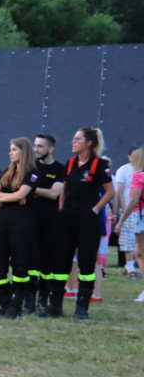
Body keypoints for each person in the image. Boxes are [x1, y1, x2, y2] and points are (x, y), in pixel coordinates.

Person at [51, 127, 115, 319]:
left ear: (89, 143)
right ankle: (55, 305)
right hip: (67, 219)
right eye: (73, 138)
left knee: (86, 264)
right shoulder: (70, 163)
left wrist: (95, 210)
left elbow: (111, 192)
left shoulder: (99, 164)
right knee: (61, 261)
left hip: (88, 221)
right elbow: (64, 189)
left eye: (77, 139)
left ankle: (82, 308)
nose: (73, 141)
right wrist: (61, 210)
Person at [0, 138, 38, 319]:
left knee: (20, 263)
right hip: (3, 219)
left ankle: (16, 305)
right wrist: (10, 197)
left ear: (23, 152)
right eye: (10, 149)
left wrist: (5, 197)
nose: (10, 152)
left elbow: (22, 195)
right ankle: (5, 302)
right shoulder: (7, 171)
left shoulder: (31, 172)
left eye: (14, 149)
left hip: (22, 220)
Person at [30, 133, 66, 315]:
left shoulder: (60, 169)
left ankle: (43, 298)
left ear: (50, 149)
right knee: (29, 260)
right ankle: (27, 298)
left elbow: (54, 194)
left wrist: (31, 189)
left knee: (46, 262)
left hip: (50, 222)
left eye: (40, 146)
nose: (36, 149)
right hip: (29, 220)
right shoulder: (30, 166)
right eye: (35, 146)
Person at [114, 147, 144, 303]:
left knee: (140, 253)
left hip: (139, 215)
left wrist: (121, 220)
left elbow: (133, 201)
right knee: (137, 252)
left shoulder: (138, 176)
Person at [113, 147, 139, 278]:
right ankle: (130, 266)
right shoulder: (123, 170)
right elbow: (119, 191)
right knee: (127, 239)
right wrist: (124, 210)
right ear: (129, 157)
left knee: (138, 240)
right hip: (128, 209)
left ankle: (130, 265)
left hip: (141, 211)